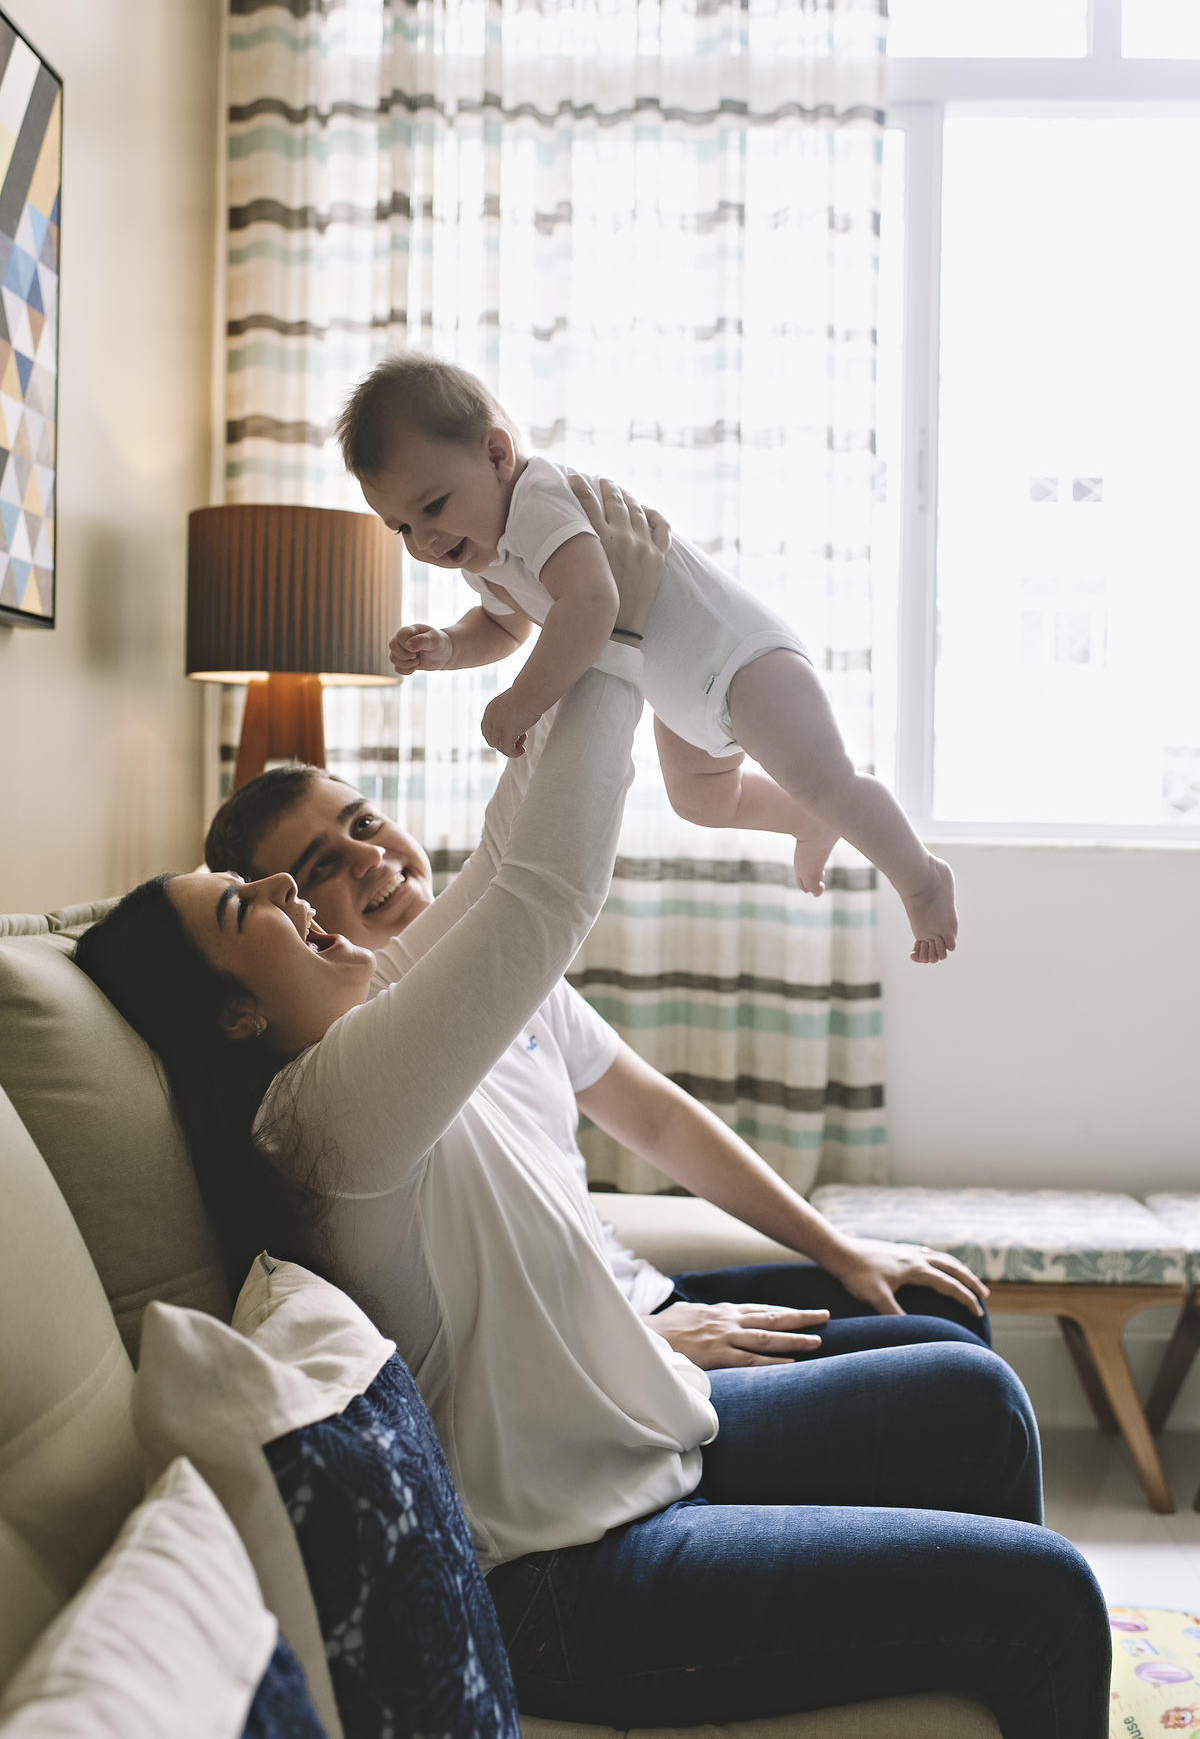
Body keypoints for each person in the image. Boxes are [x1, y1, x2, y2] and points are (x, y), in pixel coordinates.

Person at [76, 490, 1108, 1736]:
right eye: (261, 907)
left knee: (971, 1401)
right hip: (568, 1581)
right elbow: (547, 892)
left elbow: (515, 856)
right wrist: (608, 631)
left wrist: (583, 619)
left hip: (629, 1464)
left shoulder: (372, 1021)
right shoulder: (326, 1111)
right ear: (234, 1016)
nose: (306, 904)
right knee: (1049, 1597)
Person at [203, 490, 990, 1373]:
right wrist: (611, 625)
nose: (369, 860)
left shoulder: (492, 965)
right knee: (966, 1385)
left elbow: (655, 1117)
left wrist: (841, 1250)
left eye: (364, 823)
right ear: (293, 925)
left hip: (640, 1304)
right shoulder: (361, 1052)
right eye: (318, 870)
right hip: (604, 1358)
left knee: (935, 1309)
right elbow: (532, 865)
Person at [335, 352, 957, 964]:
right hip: (683, 696)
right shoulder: (487, 557)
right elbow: (504, 628)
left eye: (433, 507)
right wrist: (449, 645)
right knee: (704, 801)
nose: (424, 542)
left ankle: (922, 877)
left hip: (742, 661)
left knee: (827, 779)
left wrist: (518, 704)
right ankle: (806, 819)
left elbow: (593, 604)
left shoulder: (538, 500)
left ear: (497, 455)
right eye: (402, 529)